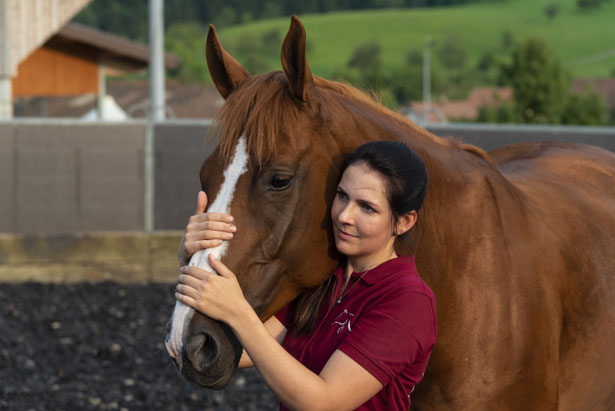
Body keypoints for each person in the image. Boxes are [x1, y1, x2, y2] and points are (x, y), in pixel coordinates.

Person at [175, 141, 437, 410]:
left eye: (367, 207)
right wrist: (195, 258)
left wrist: (237, 311)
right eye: (342, 196)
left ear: (404, 222)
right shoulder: (323, 275)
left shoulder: (409, 301)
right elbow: (243, 352)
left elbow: (323, 402)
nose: (344, 215)